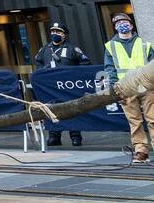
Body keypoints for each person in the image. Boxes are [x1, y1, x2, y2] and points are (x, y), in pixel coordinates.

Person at [103, 12, 154, 163]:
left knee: (153, 118)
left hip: (147, 87)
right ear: (115, 27)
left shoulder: (144, 44)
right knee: (135, 121)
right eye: (118, 24)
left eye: (124, 22)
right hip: (126, 88)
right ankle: (141, 151)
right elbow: (109, 69)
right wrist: (115, 89)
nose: (122, 25)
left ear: (131, 25)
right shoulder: (110, 46)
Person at [32, 22, 91, 147]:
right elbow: (38, 62)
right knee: (51, 110)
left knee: (71, 110)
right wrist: (43, 73)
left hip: (67, 87)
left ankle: (75, 136)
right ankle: (54, 136)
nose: (55, 34)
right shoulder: (45, 49)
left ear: (64, 35)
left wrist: (73, 75)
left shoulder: (72, 49)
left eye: (58, 32)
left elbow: (85, 62)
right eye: (53, 32)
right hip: (50, 87)